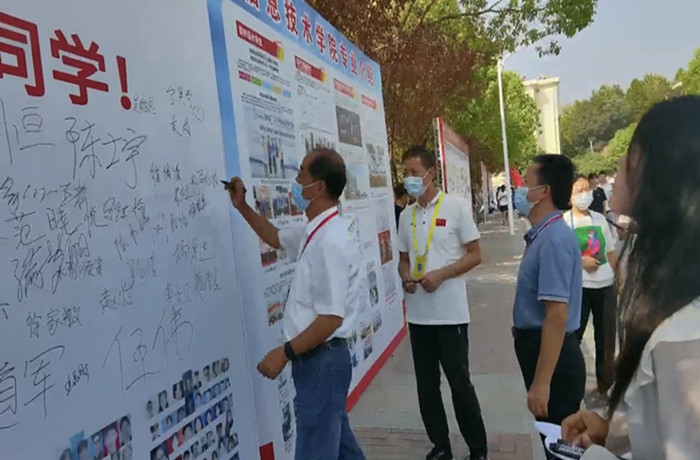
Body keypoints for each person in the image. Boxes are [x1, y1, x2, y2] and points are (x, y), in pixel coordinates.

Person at [562, 96, 700, 458]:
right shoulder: (669, 303)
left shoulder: (683, 338)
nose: (620, 162)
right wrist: (610, 429)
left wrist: (594, 456)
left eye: (631, 152)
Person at [226, 148, 365, 460]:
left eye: (302, 173)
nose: (296, 181)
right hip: (321, 362)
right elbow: (275, 238)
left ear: (318, 187)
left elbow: (330, 318)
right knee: (340, 447)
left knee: (315, 449)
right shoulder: (317, 229)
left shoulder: (330, 241)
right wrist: (242, 207)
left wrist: (284, 353)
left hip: (321, 362)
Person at [397, 145, 488, 460]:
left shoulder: (456, 207)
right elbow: (404, 260)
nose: (409, 178)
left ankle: (478, 449)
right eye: (405, 172)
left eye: (414, 172)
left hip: (450, 317)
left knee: (460, 385)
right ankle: (441, 446)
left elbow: (475, 255)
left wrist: (442, 274)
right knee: (427, 388)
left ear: (431, 172)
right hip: (418, 318)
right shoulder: (406, 216)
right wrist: (406, 277)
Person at [511, 155, 586, 447]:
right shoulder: (544, 235)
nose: (519, 190)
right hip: (544, 352)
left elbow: (556, 315)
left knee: (559, 445)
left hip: (554, 361)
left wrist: (542, 383)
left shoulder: (553, 240)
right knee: (553, 443)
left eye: (525, 182)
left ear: (544, 191)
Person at [565, 176, 618, 394]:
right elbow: (561, 257)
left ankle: (605, 384)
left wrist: (620, 280)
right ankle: (571, 384)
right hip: (580, 288)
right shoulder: (564, 222)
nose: (584, 194)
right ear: (569, 195)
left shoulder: (600, 219)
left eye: (587, 189)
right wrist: (581, 262)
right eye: (579, 190)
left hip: (605, 286)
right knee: (574, 336)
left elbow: (611, 252)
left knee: (606, 339)